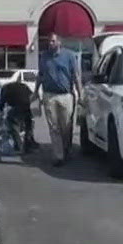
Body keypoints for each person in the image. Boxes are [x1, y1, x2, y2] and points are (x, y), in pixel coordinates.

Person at [37, 33, 81, 166]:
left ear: (59, 42)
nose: (50, 44)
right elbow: (41, 75)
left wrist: (80, 94)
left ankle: (67, 149)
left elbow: (76, 76)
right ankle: (58, 156)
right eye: (49, 41)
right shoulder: (44, 56)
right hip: (49, 95)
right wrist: (35, 92)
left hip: (66, 95)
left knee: (66, 127)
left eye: (53, 41)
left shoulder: (69, 56)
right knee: (53, 127)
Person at [0, 74, 36, 155]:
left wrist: (0, 110)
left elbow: (1, 102)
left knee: (12, 123)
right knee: (28, 125)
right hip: (27, 105)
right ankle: (29, 144)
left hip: (18, 106)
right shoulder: (23, 86)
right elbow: (32, 95)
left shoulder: (5, 88)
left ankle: (19, 145)